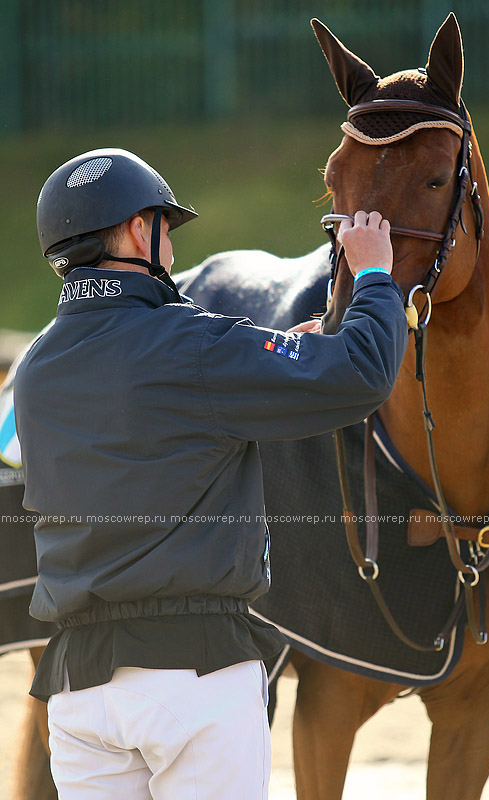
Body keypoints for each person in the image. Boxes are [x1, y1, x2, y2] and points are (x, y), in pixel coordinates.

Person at [14, 147, 407, 799]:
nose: (170, 253)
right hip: (192, 676)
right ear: (140, 230)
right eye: (166, 229)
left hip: (77, 691)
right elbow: (360, 375)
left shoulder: (33, 369)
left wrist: (284, 360)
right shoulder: (192, 343)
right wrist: (373, 278)